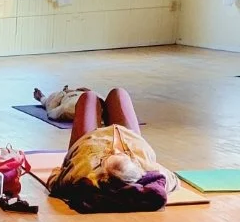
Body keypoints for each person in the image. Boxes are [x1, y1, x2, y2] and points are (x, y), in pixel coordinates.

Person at [45, 90, 174, 213]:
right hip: (129, 134)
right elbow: (172, 178)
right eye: (121, 155)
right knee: (118, 93)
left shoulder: (84, 173)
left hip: (89, 138)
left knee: (89, 97)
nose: (116, 151)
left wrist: (60, 170)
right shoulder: (149, 169)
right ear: (134, 164)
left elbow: (54, 181)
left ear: (101, 169)